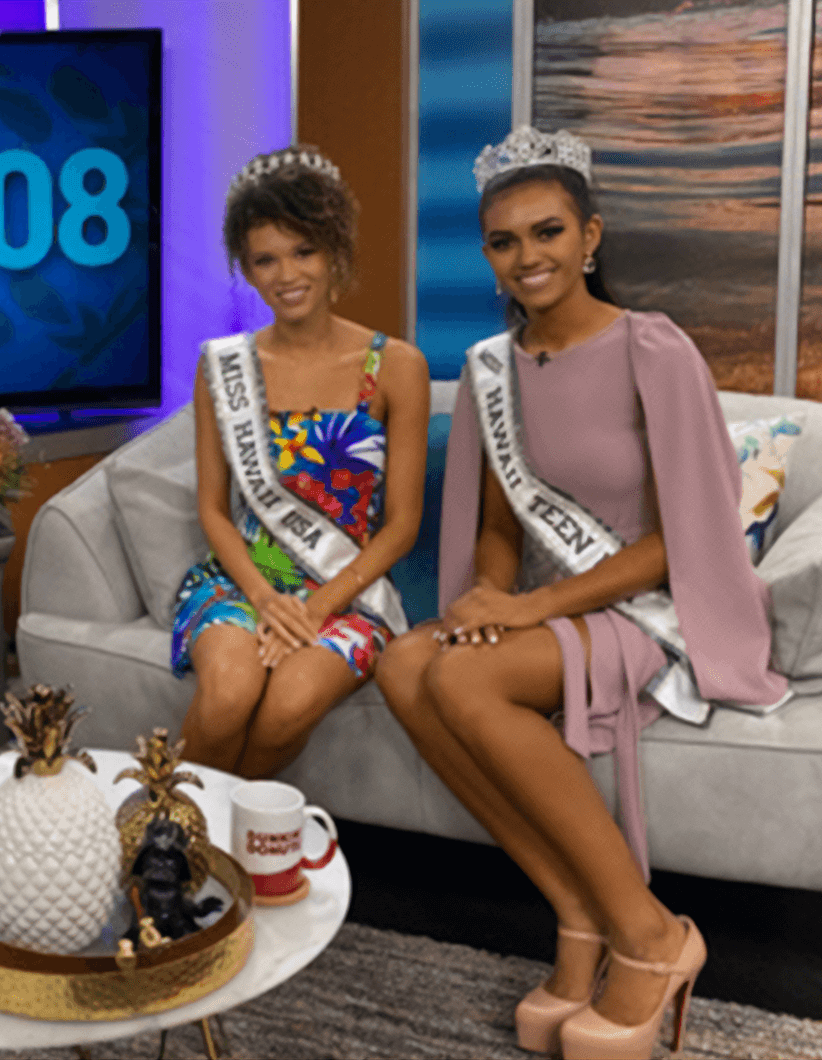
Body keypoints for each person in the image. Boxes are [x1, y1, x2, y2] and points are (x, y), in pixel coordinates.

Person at [374, 127, 790, 1060]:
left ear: (591, 236)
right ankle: (576, 914)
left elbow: (690, 539)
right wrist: (486, 598)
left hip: (654, 608)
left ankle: (652, 935)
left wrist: (524, 612)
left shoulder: (654, 348)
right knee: (407, 664)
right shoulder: (491, 369)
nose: (529, 257)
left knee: (466, 684)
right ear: (486, 254)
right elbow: (498, 530)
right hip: (551, 610)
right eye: (504, 241)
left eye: (549, 231)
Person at [172, 146, 430, 781]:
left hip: (345, 590)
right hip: (243, 583)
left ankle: (227, 837)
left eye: (303, 252)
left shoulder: (396, 367)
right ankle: (166, 837)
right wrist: (264, 599)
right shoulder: (222, 367)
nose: (286, 274)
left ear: (335, 251)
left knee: (288, 704)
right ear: (246, 268)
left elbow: (401, 525)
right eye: (265, 259)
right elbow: (213, 507)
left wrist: (315, 609)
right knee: (230, 692)